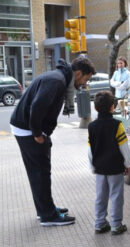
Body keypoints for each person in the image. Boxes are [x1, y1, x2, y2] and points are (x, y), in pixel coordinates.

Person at [10, 57, 96, 226]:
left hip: (26, 127)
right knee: (40, 172)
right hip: (28, 130)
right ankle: (48, 216)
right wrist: (37, 134)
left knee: (39, 172)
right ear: (78, 73)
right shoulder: (56, 81)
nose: (84, 84)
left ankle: (45, 209)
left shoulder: (58, 78)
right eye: (85, 79)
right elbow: (37, 106)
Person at [88, 91, 130, 235]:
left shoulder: (92, 126)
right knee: (116, 196)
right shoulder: (117, 125)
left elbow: (90, 150)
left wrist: (92, 167)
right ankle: (116, 224)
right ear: (112, 108)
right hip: (115, 167)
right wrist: (128, 164)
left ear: (95, 108)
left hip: (100, 168)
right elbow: (123, 147)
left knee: (100, 196)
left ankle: (99, 223)